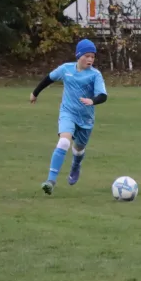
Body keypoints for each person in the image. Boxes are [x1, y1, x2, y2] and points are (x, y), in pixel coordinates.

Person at [30, 39, 108, 195]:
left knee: (79, 149)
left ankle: (76, 165)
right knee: (64, 141)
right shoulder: (65, 69)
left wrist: (92, 100)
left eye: (93, 57)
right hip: (68, 113)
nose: (90, 60)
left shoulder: (95, 75)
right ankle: (51, 181)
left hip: (86, 119)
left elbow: (103, 95)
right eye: (87, 56)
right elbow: (48, 78)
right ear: (79, 55)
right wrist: (35, 93)